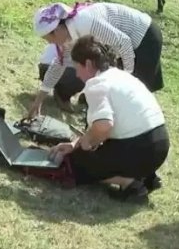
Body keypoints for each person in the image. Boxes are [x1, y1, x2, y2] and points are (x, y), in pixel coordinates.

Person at [48, 36, 170, 203]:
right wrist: (75, 143)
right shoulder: (120, 76)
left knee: (76, 164)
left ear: (88, 64)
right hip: (160, 145)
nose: (77, 74)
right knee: (93, 152)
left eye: (77, 67)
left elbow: (104, 126)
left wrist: (83, 147)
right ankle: (146, 176)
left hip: (140, 148)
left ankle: (130, 183)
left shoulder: (96, 84)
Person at [28, 0, 164, 118]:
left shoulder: (85, 23)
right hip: (123, 44)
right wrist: (39, 100)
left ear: (56, 30)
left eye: (49, 39)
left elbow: (124, 43)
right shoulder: (68, 34)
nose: (50, 44)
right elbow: (59, 64)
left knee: (134, 89)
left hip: (144, 37)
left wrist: (125, 77)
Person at [38, 43, 85, 111]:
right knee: (84, 76)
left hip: (48, 66)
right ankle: (62, 96)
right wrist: (39, 100)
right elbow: (59, 63)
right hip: (50, 68)